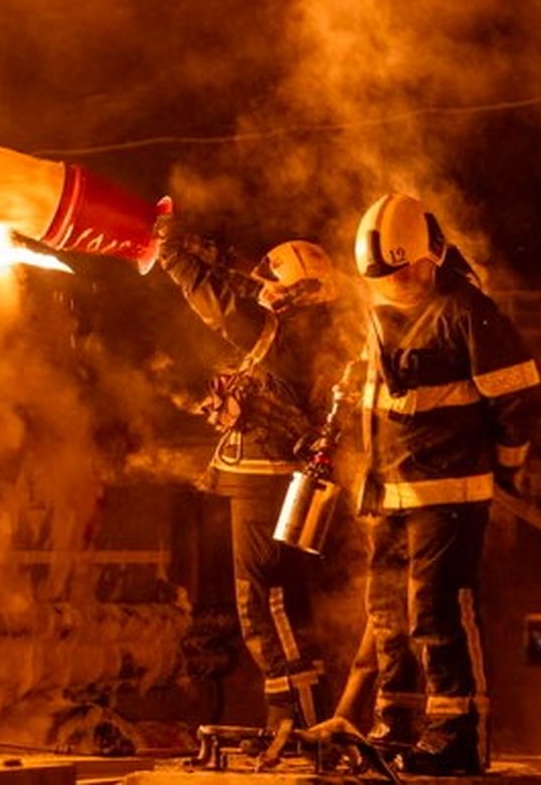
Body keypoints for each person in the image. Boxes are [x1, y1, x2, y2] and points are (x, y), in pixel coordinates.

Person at [350, 193, 541, 775]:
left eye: (402, 272)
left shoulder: (467, 311)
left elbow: (520, 397)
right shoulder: (381, 313)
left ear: (428, 258)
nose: (394, 284)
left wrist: (508, 464)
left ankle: (457, 732)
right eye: (384, 277)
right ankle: (398, 723)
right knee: (387, 611)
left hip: (450, 495)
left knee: (436, 610)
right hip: (390, 490)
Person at [158, 226, 349, 731]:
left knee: (267, 604)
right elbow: (247, 296)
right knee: (280, 605)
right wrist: (217, 252)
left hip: (267, 484)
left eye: (274, 283)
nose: (265, 288)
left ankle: (302, 726)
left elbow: (223, 309)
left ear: (293, 292)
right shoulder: (310, 330)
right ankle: (294, 720)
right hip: (275, 481)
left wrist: (174, 257)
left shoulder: (286, 335)